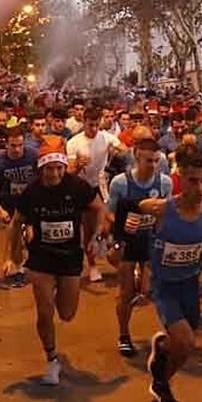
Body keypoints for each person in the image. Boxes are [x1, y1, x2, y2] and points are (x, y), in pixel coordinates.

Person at [136, 144, 202, 402]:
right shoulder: (159, 210)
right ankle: (161, 382)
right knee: (186, 342)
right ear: (179, 179)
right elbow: (132, 225)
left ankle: (161, 348)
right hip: (164, 286)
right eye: (193, 181)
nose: (200, 188)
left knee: (182, 342)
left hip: (191, 284)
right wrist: (141, 270)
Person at [7, 149, 106, 386]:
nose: (55, 173)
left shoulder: (77, 186)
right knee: (44, 311)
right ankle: (51, 358)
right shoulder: (31, 192)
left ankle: (55, 294)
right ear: (41, 169)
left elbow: (99, 208)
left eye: (59, 168)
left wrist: (95, 237)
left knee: (67, 314)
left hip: (70, 256)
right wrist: (13, 256)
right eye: (50, 169)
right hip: (41, 257)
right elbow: (16, 222)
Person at [106, 135, 170, 357]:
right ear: (136, 157)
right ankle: (124, 335)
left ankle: (139, 281)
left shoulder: (165, 183)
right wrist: (123, 225)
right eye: (148, 161)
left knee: (148, 291)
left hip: (151, 241)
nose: (153, 165)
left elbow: (165, 213)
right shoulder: (120, 183)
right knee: (125, 294)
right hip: (128, 242)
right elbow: (109, 214)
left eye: (156, 161)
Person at [66, 108, 127, 282]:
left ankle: (100, 242)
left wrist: (119, 151)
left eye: (95, 124)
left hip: (99, 185)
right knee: (88, 227)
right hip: (79, 187)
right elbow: (69, 172)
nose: (93, 128)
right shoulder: (74, 142)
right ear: (83, 122)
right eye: (90, 124)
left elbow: (123, 148)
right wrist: (78, 164)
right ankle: (92, 264)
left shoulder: (106, 137)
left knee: (107, 223)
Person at [0, 124, 40, 224]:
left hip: (31, 201)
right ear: (6, 144)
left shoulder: (34, 155)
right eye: (13, 145)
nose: (17, 149)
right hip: (9, 203)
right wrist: (0, 210)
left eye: (20, 145)